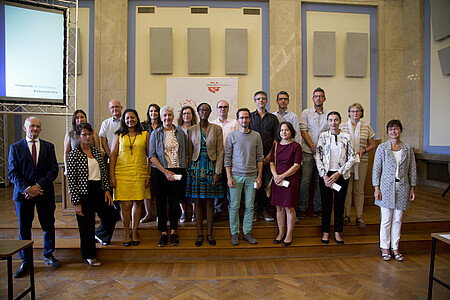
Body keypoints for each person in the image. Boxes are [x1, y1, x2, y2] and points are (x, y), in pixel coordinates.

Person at [8, 117, 61, 278]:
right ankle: (26, 261)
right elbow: (12, 172)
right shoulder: (15, 148)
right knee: (24, 228)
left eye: (38, 126)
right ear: (25, 128)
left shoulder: (48, 146)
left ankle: (48, 254)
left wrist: (37, 187)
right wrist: (27, 188)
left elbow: (53, 170)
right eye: (32, 126)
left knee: (48, 225)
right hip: (23, 195)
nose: (35, 129)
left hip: (44, 193)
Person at [67, 123, 117, 267]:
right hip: (84, 193)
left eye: (89, 134)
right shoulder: (73, 155)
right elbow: (72, 180)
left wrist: (106, 190)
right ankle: (89, 256)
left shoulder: (96, 152)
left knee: (111, 216)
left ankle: (99, 235)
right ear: (78, 137)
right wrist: (76, 202)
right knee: (86, 226)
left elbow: (103, 173)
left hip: (99, 190)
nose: (87, 137)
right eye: (84, 135)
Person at [373, 120, 416, 262]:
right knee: (386, 219)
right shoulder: (382, 148)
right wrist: (376, 188)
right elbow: (377, 169)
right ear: (387, 132)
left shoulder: (407, 149)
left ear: (400, 131)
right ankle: (385, 247)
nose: (393, 132)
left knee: (398, 219)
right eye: (391, 129)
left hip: (403, 186)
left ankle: (395, 247)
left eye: (396, 129)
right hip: (385, 187)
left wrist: (412, 188)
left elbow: (412, 169)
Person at [109, 109, 150, 247]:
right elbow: (113, 156)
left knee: (137, 203)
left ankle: (134, 231)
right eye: (127, 118)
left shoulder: (145, 135)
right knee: (125, 204)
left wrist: (149, 174)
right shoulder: (118, 135)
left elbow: (150, 156)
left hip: (139, 172)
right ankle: (126, 232)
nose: (130, 120)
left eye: (132, 117)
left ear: (137, 119)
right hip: (122, 173)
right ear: (123, 120)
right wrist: (112, 176)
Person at [150, 106, 188, 247]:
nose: (167, 117)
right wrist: (165, 172)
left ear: (173, 116)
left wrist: (182, 170)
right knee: (161, 203)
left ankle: (173, 231)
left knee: (174, 203)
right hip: (160, 173)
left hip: (177, 172)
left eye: (170, 115)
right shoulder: (156, 133)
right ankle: (163, 233)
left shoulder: (180, 133)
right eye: (164, 115)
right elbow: (152, 156)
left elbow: (185, 153)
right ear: (160, 117)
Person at [186, 103, 224, 247]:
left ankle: (210, 233)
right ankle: (199, 233)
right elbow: (189, 153)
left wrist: (217, 172)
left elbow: (220, 151)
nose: (204, 112)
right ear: (198, 112)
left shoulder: (217, 129)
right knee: (197, 202)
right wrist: (188, 170)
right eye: (201, 110)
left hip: (211, 167)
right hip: (195, 168)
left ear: (210, 112)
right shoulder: (191, 130)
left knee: (210, 202)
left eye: (207, 110)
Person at [225, 108, 264, 246]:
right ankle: (234, 233)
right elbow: (227, 158)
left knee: (250, 206)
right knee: (234, 206)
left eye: (246, 117)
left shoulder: (256, 136)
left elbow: (260, 158)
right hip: (235, 177)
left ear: (250, 119)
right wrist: (229, 177)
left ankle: (247, 232)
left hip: (252, 177)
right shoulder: (232, 136)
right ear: (237, 120)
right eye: (241, 118)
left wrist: (259, 177)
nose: (244, 120)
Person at [315, 111, 355, 245]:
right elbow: (318, 157)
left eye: (336, 120)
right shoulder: (323, 136)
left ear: (340, 121)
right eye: (331, 120)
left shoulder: (346, 137)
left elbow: (352, 158)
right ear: (327, 122)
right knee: (326, 205)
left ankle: (338, 232)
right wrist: (324, 175)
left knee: (339, 204)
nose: (333, 123)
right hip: (325, 176)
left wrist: (339, 173)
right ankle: (325, 232)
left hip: (341, 175)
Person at [340, 103, 376, 228]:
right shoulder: (342, 126)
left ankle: (359, 216)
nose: (355, 113)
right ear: (349, 112)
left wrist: (363, 151)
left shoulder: (367, 127)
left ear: (361, 113)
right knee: (347, 189)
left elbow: (372, 144)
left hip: (362, 160)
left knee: (359, 189)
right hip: (346, 162)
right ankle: (346, 215)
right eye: (353, 111)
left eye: (358, 111)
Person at [298, 87, 329, 219]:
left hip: (323, 154)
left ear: (324, 99)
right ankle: (301, 208)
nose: (318, 98)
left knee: (320, 181)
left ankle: (318, 208)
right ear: (312, 99)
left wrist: (320, 146)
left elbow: (329, 131)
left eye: (321, 96)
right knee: (305, 181)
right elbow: (303, 131)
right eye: (316, 96)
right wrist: (311, 145)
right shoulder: (306, 113)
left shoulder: (329, 114)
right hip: (307, 152)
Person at [270, 122, 302, 247]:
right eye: (282, 130)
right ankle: (280, 232)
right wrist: (276, 176)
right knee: (279, 207)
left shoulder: (296, 146)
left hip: (290, 181)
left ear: (291, 132)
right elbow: (272, 162)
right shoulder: (276, 145)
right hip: (277, 180)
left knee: (289, 208)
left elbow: (296, 165)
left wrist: (282, 176)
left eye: (287, 130)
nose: (284, 132)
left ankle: (289, 234)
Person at [249, 91, 279, 222]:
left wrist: (270, 155)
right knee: (255, 186)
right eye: (258, 99)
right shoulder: (249, 117)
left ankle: (264, 210)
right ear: (255, 101)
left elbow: (277, 138)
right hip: (252, 159)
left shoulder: (273, 118)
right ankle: (255, 211)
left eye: (263, 99)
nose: (261, 101)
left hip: (268, 158)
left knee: (266, 184)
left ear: (266, 101)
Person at [211, 100, 238, 220]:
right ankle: (217, 212)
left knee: (231, 187)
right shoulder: (211, 124)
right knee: (217, 187)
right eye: (220, 107)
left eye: (225, 107)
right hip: (216, 160)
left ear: (228, 108)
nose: (223, 109)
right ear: (217, 109)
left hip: (232, 160)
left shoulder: (235, 123)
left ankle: (232, 212)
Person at [99, 99, 123, 214]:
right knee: (111, 182)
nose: (115, 109)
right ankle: (114, 210)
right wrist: (111, 156)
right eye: (112, 107)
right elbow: (103, 142)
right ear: (109, 109)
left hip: (124, 160)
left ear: (121, 108)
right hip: (109, 158)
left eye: (117, 107)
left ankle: (122, 209)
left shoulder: (126, 121)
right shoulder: (106, 123)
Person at [140, 103, 163, 223]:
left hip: (160, 161)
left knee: (159, 190)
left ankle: (160, 214)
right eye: (151, 111)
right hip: (146, 160)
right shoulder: (143, 126)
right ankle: (148, 213)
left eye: (155, 111)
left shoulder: (162, 125)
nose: (153, 113)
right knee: (147, 188)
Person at [177, 105, 197, 222]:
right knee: (181, 189)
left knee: (193, 188)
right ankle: (184, 212)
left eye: (189, 113)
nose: (187, 116)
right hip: (180, 164)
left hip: (194, 163)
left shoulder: (197, 128)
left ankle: (194, 212)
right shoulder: (177, 129)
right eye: (184, 114)